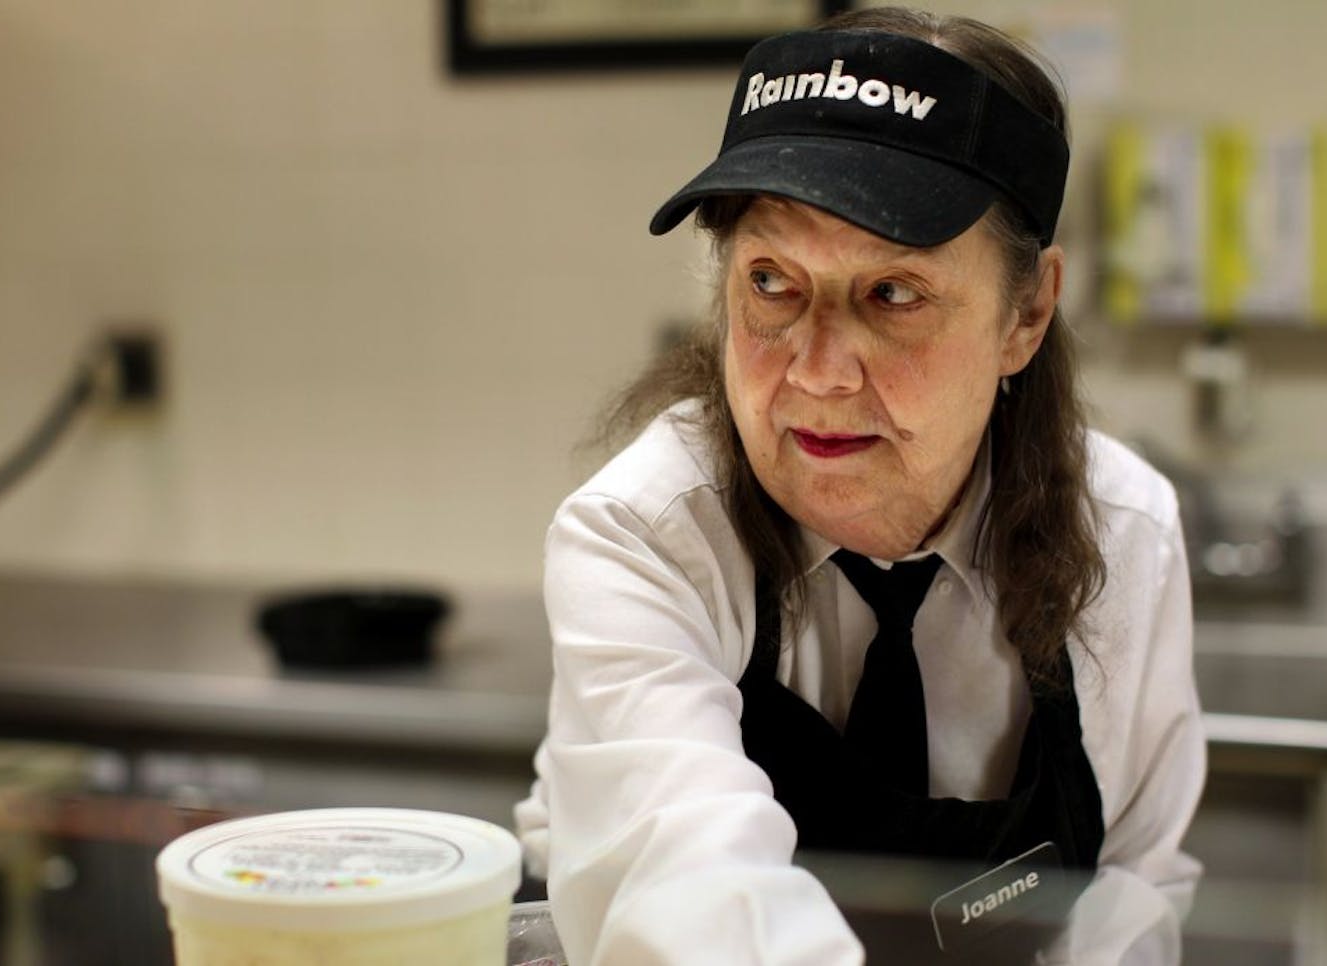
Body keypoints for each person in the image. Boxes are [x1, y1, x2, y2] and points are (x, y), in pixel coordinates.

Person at [515, 7, 1204, 964]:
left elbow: (1126, 896)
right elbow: (698, 909)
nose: (819, 370)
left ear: (1028, 312)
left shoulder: (1124, 535)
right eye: (770, 282)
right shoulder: (645, 537)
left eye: (893, 294)